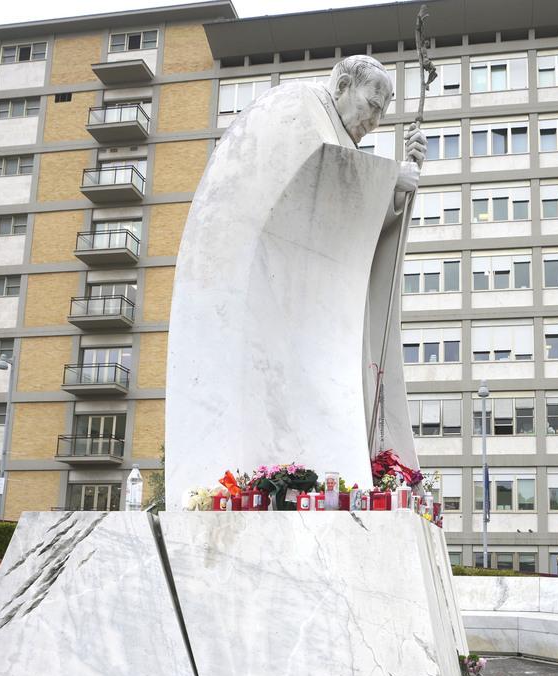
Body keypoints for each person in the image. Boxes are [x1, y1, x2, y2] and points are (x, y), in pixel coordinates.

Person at [166, 55, 428, 496]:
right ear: (343, 85)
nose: (376, 120)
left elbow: (341, 228)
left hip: (298, 303)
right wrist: (387, 180)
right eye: (372, 104)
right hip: (255, 298)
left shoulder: (338, 135)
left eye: (384, 111)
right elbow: (308, 182)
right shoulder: (297, 108)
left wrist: (396, 190)